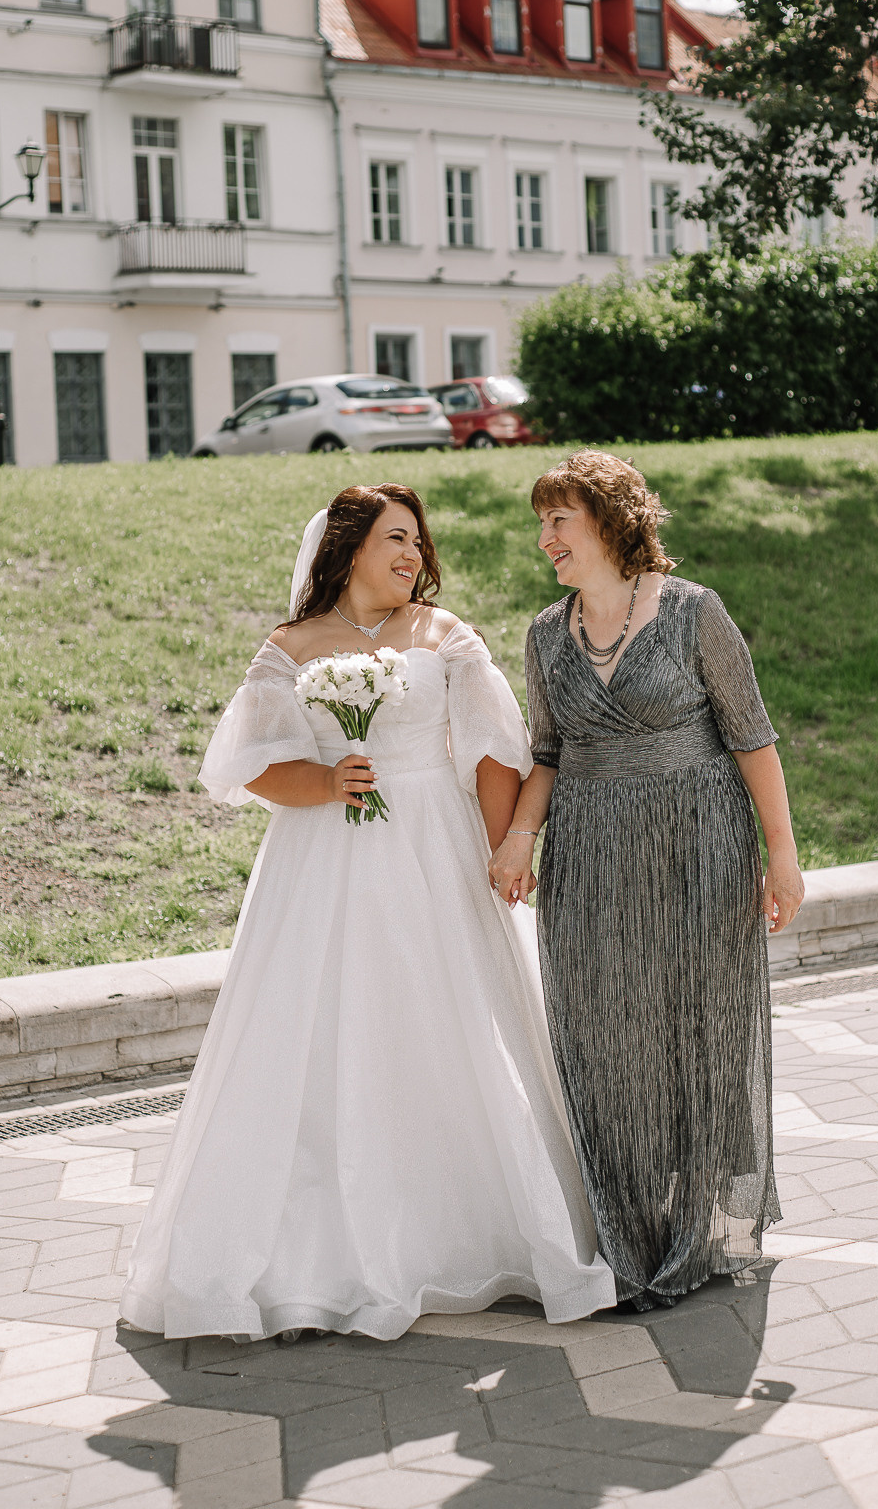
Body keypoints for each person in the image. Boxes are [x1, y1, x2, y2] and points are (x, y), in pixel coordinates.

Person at [121, 482, 618, 1342]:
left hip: (434, 849)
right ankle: (318, 1256)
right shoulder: (291, 645)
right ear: (347, 547)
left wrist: (508, 848)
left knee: (444, 1023)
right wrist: (322, 782)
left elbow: (496, 747)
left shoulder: (444, 633)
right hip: (323, 862)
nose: (412, 557)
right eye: (396, 540)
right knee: (321, 1033)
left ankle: (479, 1233)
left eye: (419, 544)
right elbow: (252, 762)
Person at [489, 451, 804, 1313]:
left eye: (561, 518)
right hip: (589, 851)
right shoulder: (545, 635)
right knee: (600, 1028)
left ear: (611, 519)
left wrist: (781, 852)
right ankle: (626, 1229)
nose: (546, 538)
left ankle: (697, 1226)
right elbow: (546, 753)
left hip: (700, 841)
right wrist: (520, 837)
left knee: (695, 1024)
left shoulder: (695, 612)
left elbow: (753, 735)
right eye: (542, 522)